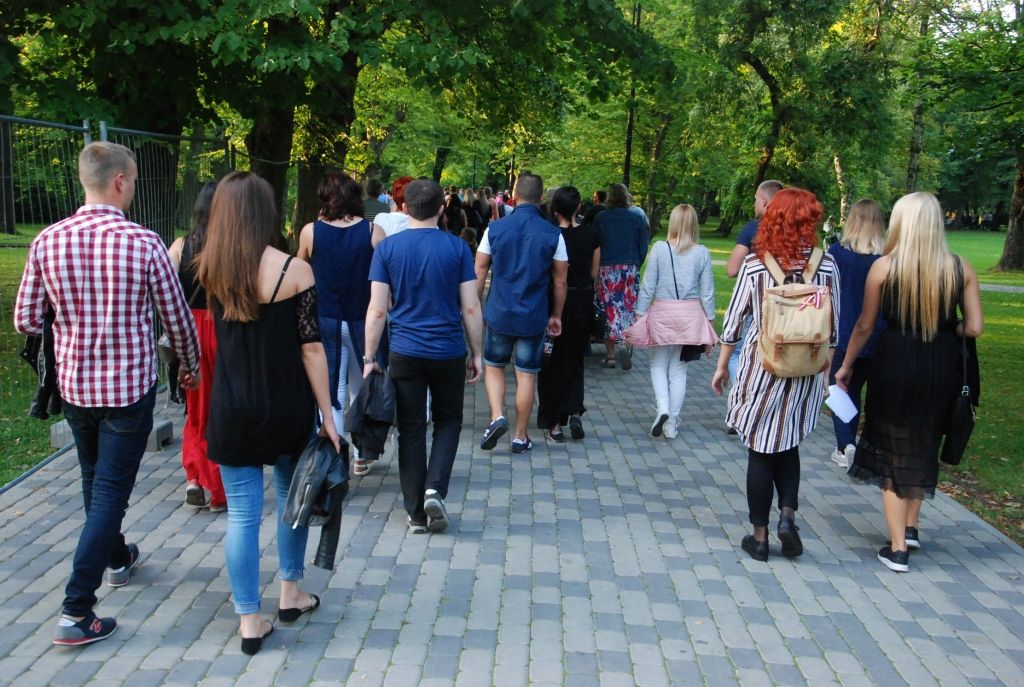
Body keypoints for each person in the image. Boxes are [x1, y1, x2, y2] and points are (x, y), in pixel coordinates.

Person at [15, 141, 200, 646]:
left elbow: (26, 318)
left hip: (76, 387)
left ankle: (118, 556)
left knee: (95, 481)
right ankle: (76, 610)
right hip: (127, 390)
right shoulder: (144, 244)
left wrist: (70, 320)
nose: (135, 188)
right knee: (110, 494)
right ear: (120, 180)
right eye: (135, 181)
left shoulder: (47, 241)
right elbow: (178, 318)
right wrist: (190, 366)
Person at [198, 171, 341, 655]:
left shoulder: (210, 270)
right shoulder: (295, 271)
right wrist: (328, 413)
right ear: (267, 212)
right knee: (291, 499)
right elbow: (312, 350)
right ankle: (291, 593)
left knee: (241, 514)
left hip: (232, 405)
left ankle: (248, 620)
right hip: (286, 405)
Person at [837, 192, 983, 573]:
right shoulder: (960, 268)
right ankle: (912, 526)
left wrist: (846, 365)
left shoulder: (884, 268)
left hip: (895, 361)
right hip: (941, 363)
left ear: (902, 223)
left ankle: (897, 547)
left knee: (891, 444)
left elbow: (865, 325)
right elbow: (976, 327)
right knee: (924, 438)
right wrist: (949, 327)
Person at [711, 188, 840, 562]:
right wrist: (827, 373)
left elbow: (734, 323)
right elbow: (835, 327)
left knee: (760, 449)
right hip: (807, 369)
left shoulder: (756, 266)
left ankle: (760, 536)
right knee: (788, 443)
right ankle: (787, 517)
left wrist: (722, 366)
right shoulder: (826, 265)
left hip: (763, 365)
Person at [363, 179, 483, 533]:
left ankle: (415, 514)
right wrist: (476, 352)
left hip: (404, 351)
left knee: (411, 429)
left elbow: (377, 310)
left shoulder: (387, 250)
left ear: (403, 208)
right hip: (447, 350)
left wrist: (370, 356)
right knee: (448, 421)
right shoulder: (458, 249)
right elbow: (471, 307)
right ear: (441, 209)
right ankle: (435, 489)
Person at [297, 172, 386, 476]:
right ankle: (363, 452)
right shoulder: (375, 231)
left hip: (326, 320)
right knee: (362, 388)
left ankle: (335, 458)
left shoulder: (311, 232)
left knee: (330, 388)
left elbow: (301, 271)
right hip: (364, 320)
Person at [475, 172, 568, 453]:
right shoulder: (554, 234)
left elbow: (479, 269)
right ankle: (520, 436)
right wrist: (556, 315)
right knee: (527, 375)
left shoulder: (494, 229)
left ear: (514, 195)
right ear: (541, 198)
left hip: (499, 313)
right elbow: (561, 281)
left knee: (494, 367)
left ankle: (496, 417)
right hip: (533, 315)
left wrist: (475, 307)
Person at [168, 181, 226, 512]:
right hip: (224, 327)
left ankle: (194, 476)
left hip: (191, 329)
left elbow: (164, 293)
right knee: (221, 405)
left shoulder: (180, 246)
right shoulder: (231, 246)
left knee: (196, 405)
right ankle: (218, 487)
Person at [635, 204, 716, 440]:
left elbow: (648, 285)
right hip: (689, 316)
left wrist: (640, 313)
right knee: (679, 371)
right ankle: (672, 422)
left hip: (662, 312)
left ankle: (663, 409)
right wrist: (709, 323)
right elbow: (708, 293)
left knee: (658, 365)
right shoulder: (702, 253)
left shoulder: (660, 249)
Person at [537, 186, 601, 442]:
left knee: (551, 360)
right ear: (578, 208)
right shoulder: (592, 235)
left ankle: (553, 420)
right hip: (582, 300)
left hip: (554, 300)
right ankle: (574, 408)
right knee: (575, 358)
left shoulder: (550, 235)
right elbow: (594, 273)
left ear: (554, 208)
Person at [826, 199, 886, 468]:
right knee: (866, 390)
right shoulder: (886, 260)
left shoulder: (837, 254)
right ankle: (869, 444)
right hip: (879, 335)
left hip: (844, 332)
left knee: (839, 388)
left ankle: (845, 443)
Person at [593, 182, 649, 369]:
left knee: (608, 310)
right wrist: (635, 265)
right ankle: (625, 343)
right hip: (629, 269)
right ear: (626, 197)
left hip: (607, 269)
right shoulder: (636, 218)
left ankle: (610, 356)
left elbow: (596, 244)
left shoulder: (601, 218)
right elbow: (643, 246)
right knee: (628, 308)